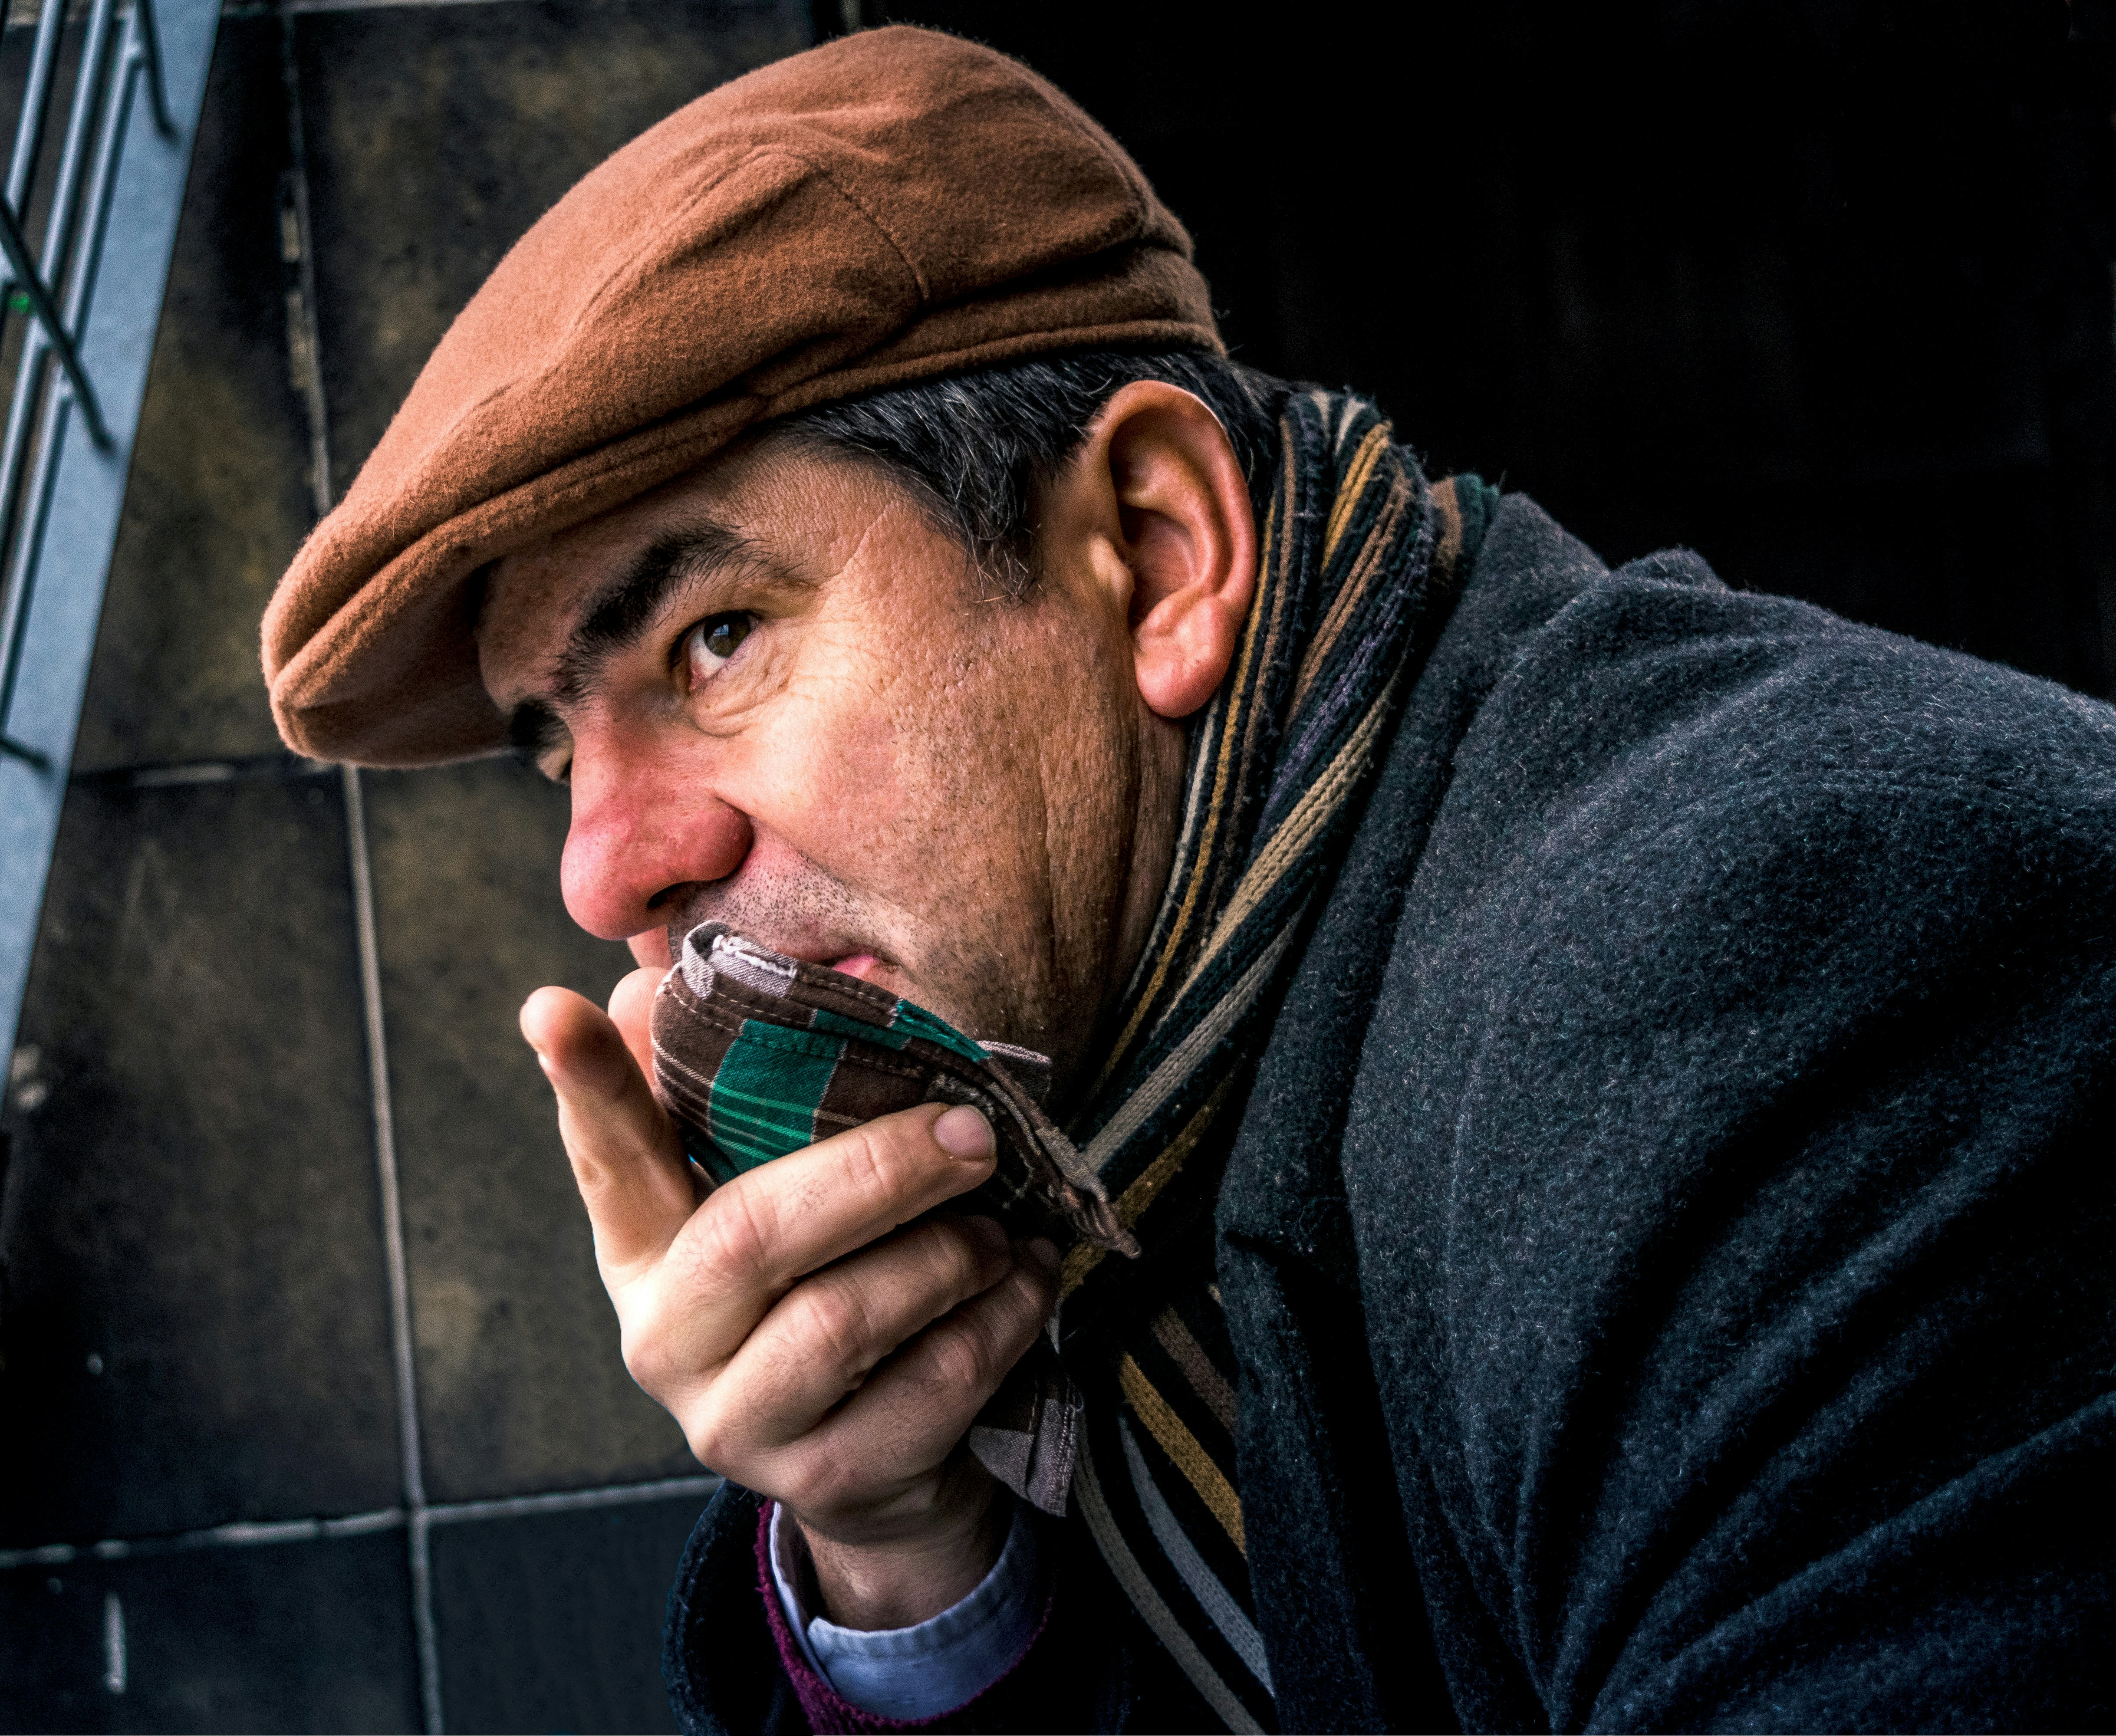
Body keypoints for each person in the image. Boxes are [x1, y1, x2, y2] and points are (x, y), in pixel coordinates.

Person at [260, 27, 2115, 1733]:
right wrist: (910, 1551)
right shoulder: (1103, 1076)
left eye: (716, 638)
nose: (609, 868)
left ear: (1154, 553)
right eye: (562, 746)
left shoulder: (1782, 970)